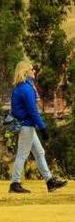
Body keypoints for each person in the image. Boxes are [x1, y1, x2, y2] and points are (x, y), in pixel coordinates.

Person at [8, 60, 67, 193]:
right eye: (31, 69)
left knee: (39, 153)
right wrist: (43, 127)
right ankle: (15, 183)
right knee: (22, 155)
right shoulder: (26, 89)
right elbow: (32, 111)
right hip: (26, 126)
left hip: (26, 126)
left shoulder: (21, 87)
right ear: (25, 72)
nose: (33, 71)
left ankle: (50, 181)